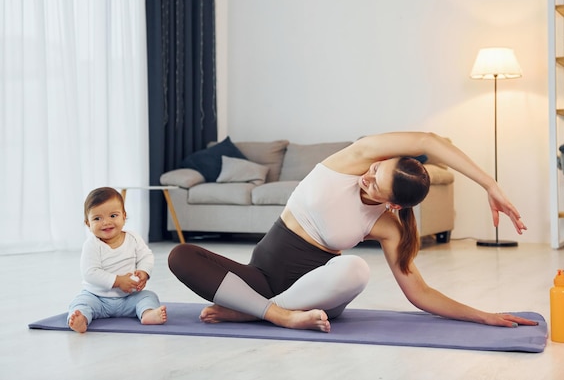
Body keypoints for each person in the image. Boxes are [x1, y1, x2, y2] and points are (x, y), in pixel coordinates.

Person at [168, 132, 537, 332]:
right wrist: (490, 184)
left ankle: (256, 312)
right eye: (378, 169)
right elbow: (430, 142)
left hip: (318, 298)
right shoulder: (354, 158)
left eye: (378, 186)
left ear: (394, 206)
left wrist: (483, 316)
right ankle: (273, 313)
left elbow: (420, 293)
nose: (369, 176)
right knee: (180, 255)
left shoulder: (387, 227)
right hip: (260, 278)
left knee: (357, 269)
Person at [67, 187, 167, 333]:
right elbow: (90, 273)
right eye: (97, 218)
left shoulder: (133, 238)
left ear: (124, 216)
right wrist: (118, 281)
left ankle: (147, 314)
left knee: (149, 296)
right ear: (88, 224)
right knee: (80, 302)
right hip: (97, 298)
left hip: (128, 298)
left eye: (113, 216)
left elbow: (146, 256)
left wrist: (143, 272)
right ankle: (81, 319)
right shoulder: (92, 245)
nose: (106, 222)